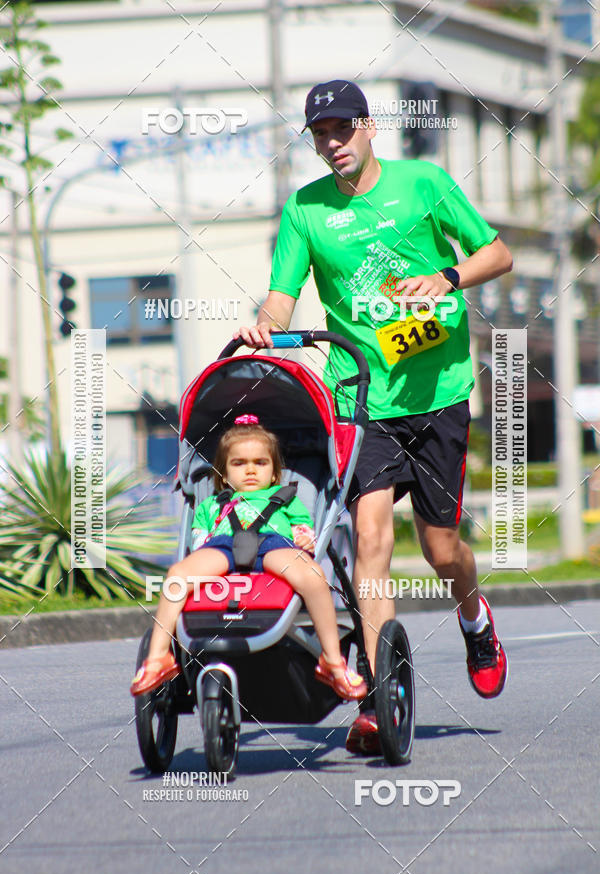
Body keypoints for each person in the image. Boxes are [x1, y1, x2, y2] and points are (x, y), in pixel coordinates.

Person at [235, 79, 513, 754]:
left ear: (369, 127)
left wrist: (447, 279)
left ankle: (474, 617)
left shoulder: (423, 184)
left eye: (341, 130)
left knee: (442, 550)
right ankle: (377, 688)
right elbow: (281, 295)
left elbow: (497, 253)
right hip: (361, 398)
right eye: (320, 134)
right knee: (370, 540)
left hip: (440, 391)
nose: (331, 144)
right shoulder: (306, 210)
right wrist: (264, 326)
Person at [131, 414, 367, 702]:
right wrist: (200, 554)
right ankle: (158, 657)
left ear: (275, 473)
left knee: (312, 576)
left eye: (260, 463)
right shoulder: (210, 503)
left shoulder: (287, 498)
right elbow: (200, 540)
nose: (250, 471)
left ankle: (332, 661)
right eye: (239, 464)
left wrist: (304, 538)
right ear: (224, 474)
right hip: (222, 546)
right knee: (177, 576)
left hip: (273, 544)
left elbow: (303, 529)